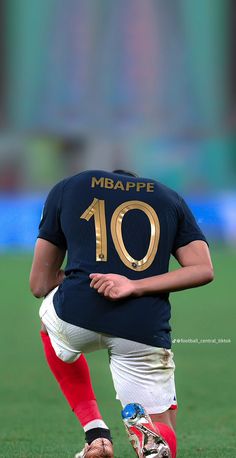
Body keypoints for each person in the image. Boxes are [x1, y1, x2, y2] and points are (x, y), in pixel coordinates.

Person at [30, 169, 214, 458]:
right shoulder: (169, 198)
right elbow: (203, 269)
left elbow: (39, 285)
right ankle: (150, 435)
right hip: (142, 326)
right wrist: (133, 285)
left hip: (75, 316)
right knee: (164, 430)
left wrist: (79, 276)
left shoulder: (68, 188)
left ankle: (96, 432)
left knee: (46, 321)